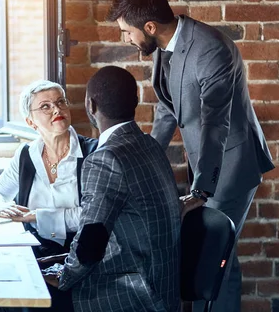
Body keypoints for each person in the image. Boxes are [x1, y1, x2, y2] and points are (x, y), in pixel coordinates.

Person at [106, 0, 275, 312]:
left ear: (150, 26)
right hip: (207, 164)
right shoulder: (166, 47)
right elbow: (169, 108)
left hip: (230, 165)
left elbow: (215, 125)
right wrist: (147, 159)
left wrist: (201, 191)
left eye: (127, 31)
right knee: (222, 257)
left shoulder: (211, 49)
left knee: (210, 259)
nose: (126, 38)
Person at [42, 66, 181, 312]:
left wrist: (63, 277)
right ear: (136, 101)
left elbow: (90, 245)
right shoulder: (150, 145)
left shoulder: (105, 159)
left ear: (90, 105)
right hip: (163, 291)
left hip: (127, 296)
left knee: (25, 297)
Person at [0, 79, 97, 311]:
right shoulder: (26, 155)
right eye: (45, 106)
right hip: (35, 254)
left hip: (80, 256)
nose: (56, 109)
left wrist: (36, 216)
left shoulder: (93, 153)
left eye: (61, 102)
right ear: (30, 122)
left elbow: (94, 215)